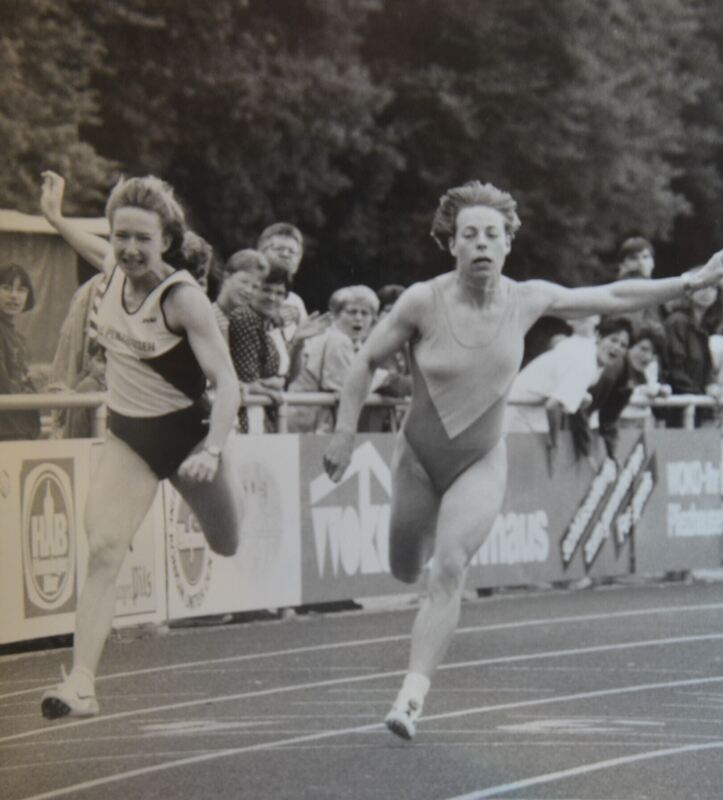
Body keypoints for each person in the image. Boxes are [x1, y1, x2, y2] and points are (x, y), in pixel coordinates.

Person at [322, 180, 723, 741]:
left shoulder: (528, 298)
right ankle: (410, 595)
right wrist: (344, 433)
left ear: (508, 243)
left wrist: (689, 281)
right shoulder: (421, 301)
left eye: (492, 234)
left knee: (449, 570)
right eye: (470, 235)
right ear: (452, 245)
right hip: (417, 457)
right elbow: (364, 361)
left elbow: (611, 297)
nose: (481, 244)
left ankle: (411, 696)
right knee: (403, 567)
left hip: (481, 458)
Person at [38, 170, 242, 719]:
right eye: (121, 236)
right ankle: (81, 684)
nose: (128, 249)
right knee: (104, 549)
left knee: (226, 543)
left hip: (187, 437)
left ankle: (206, 495)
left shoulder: (183, 300)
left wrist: (214, 450)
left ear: (166, 243)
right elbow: (92, 247)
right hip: (130, 436)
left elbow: (228, 385)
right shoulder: (109, 272)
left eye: (142, 239)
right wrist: (56, 218)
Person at [286, 285, 389, 433]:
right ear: (335, 315)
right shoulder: (336, 339)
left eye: (365, 313)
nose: (358, 318)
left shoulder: (353, 343)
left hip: (314, 423)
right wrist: (390, 381)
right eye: (352, 312)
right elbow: (347, 384)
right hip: (306, 424)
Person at [663, 272, 722, 427]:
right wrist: (701, 394)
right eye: (702, 286)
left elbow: (707, 370)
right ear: (690, 291)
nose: (707, 292)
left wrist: (711, 387)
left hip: (694, 407)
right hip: (674, 408)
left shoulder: (704, 328)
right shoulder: (677, 322)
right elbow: (674, 368)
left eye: (712, 288)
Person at [0, 262, 41, 441]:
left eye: (21, 289)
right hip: (6, 432)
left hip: (19, 429)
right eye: (6, 288)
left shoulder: (16, 336)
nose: (14, 296)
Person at [257, 223, 308, 339]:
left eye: (292, 252)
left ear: (298, 261)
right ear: (260, 253)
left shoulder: (296, 302)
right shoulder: (248, 290)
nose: (285, 255)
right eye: (279, 249)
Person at [212, 249, 269, 343]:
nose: (248, 290)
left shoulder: (236, 322)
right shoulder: (211, 317)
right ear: (227, 277)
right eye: (244, 282)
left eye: (255, 287)